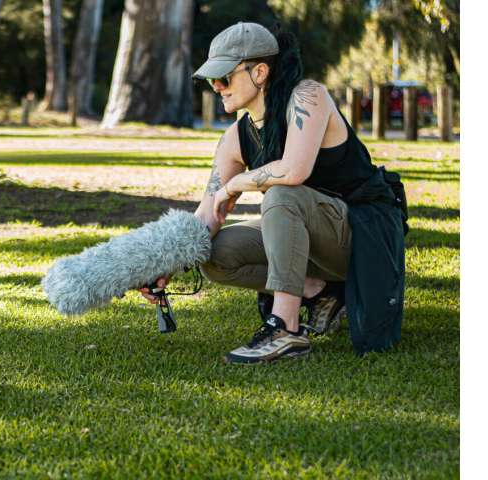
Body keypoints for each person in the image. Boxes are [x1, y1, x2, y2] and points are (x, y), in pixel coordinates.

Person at [140, 22, 407, 364]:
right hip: (308, 238)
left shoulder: (308, 96)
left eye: (225, 78)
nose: (218, 88)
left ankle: (285, 328)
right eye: (212, 81)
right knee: (213, 253)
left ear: (260, 72)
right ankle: (319, 291)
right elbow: (207, 215)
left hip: (364, 233)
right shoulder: (235, 139)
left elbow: (294, 170)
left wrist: (234, 185)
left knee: (283, 195)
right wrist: (167, 264)